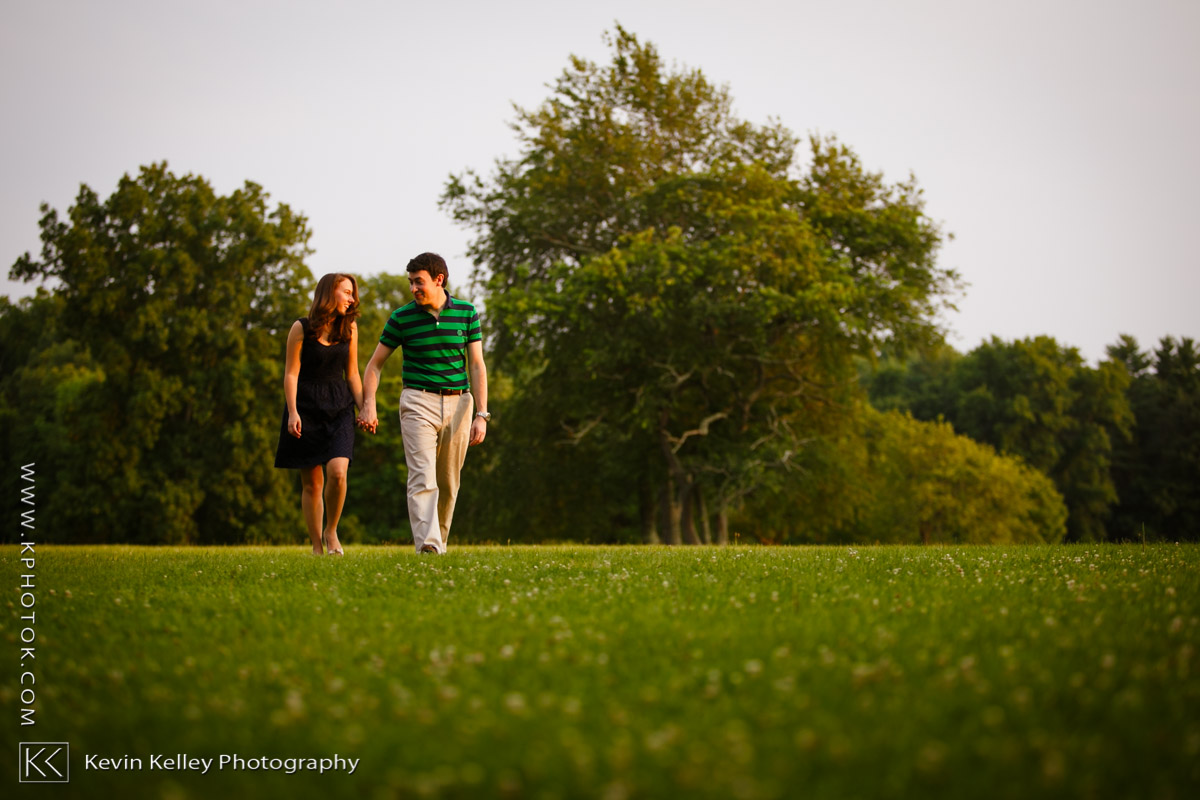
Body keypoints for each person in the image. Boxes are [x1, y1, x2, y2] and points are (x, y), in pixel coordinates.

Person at [358, 253, 489, 554]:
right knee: (422, 475)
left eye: (419, 282)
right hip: (417, 401)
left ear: (439, 279)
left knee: (448, 482)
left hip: (459, 404)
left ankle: (438, 544)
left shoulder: (467, 313)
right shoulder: (401, 318)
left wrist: (481, 414)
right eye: (411, 283)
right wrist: (369, 404)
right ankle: (428, 545)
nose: (413, 289)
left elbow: (477, 365)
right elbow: (375, 365)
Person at [274, 273, 364, 556]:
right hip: (305, 407)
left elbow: (352, 374)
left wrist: (366, 408)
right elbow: (291, 372)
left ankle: (331, 531)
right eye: (346, 292)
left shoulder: (349, 328)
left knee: (338, 472)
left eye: (352, 295)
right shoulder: (301, 328)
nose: (351, 300)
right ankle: (316, 546)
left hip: (339, 406)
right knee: (312, 482)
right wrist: (292, 412)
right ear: (329, 292)